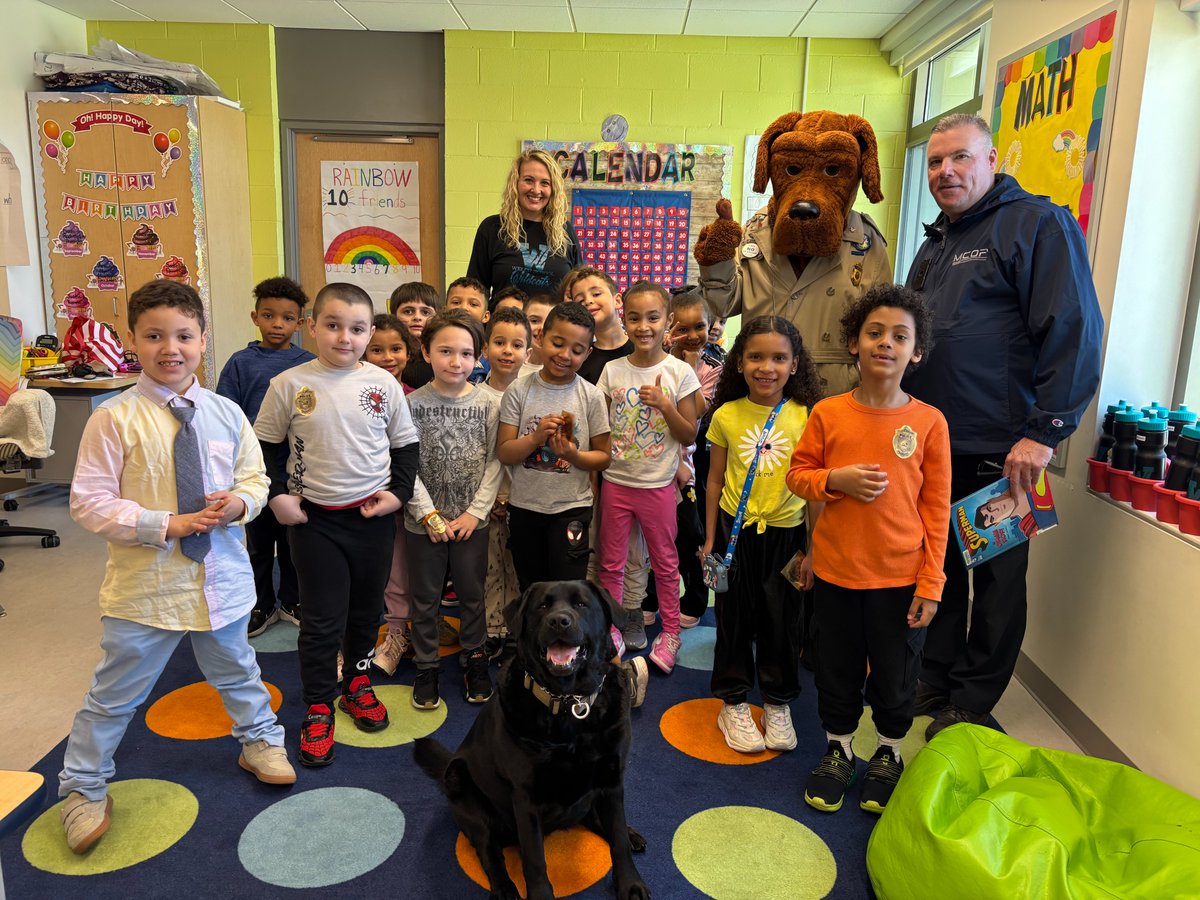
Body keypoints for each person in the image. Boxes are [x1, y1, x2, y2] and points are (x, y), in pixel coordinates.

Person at [61, 281, 295, 854]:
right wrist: (165, 523)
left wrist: (240, 504)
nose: (171, 348)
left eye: (184, 336)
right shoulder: (113, 418)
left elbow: (256, 480)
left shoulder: (227, 413)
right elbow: (88, 502)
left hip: (221, 578)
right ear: (133, 343)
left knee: (238, 668)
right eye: (155, 336)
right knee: (115, 691)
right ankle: (84, 786)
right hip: (148, 586)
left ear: (203, 340)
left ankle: (259, 739)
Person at [902, 113, 1103, 741]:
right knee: (936, 563)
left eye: (960, 158)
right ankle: (933, 676)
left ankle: (974, 698)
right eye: (935, 163)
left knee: (994, 577)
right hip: (935, 442)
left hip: (1006, 446)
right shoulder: (935, 242)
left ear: (992, 160)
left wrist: (1044, 432)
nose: (945, 172)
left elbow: (1074, 330)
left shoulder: (1037, 225)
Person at [787, 285, 950, 814]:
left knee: (896, 674)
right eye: (874, 332)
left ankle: (887, 751)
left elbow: (937, 510)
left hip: (900, 581)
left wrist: (932, 582)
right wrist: (837, 480)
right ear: (853, 343)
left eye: (900, 336)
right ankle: (838, 751)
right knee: (835, 669)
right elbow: (798, 476)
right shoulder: (828, 414)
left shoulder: (929, 422)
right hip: (836, 575)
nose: (886, 343)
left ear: (917, 352)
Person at [255, 283, 419, 767]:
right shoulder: (289, 385)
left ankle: (358, 683)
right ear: (312, 326)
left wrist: (398, 494)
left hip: (370, 519)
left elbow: (406, 447)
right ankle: (320, 704)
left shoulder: (383, 384)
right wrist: (276, 497)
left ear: (370, 332)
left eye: (357, 328)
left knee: (367, 615)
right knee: (324, 620)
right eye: (332, 325)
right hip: (315, 523)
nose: (344, 337)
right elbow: (262, 452)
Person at [701, 316, 820, 759]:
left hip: (787, 539)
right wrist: (711, 539)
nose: (766, 367)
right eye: (755, 356)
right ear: (738, 362)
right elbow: (713, 481)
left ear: (794, 365)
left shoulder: (806, 416)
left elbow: (813, 492)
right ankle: (732, 702)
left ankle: (777, 702)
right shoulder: (726, 415)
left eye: (778, 358)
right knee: (733, 616)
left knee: (783, 620)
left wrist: (812, 548)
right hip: (734, 536)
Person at [595, 281, 702, 674]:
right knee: (611, 563)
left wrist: (665, 405)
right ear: (624, 319)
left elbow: (689, 433)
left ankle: (671, 632)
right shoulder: (612, 370)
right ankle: (611, 628)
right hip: (617, 484)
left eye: (653, 317)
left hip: (657, 487)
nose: (644, 326)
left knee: (665, 561)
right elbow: (601, 428)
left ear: (668, 321)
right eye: (635, 317)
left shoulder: (679, 372)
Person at [404, 311, 502, 710]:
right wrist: (427, 513)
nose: (455, 361)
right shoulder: (410, 404)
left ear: (478, 358)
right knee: (425, 599)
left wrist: (475, 514)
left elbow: (496, 461)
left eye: (466, 353)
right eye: (445, 351)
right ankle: (426, 665)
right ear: (426, 352)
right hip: (422, 522)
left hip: (469, 523)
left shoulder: (490, 403)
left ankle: (474, 657)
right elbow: (404, 464)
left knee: (471, 594)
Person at [215, 276, 315, 636]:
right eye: (269, 316)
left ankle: (292, 600)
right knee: (258, 545)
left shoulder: (310, 365)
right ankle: (261, 602)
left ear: (301, 323)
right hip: (252, 472)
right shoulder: (241, 363)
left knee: (293, 544)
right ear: (254, 316)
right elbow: (226, 416)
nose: (278, 324)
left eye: (287, 318)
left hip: (296, 471)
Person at [497, 301, 611, 588]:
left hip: (571, 509)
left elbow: (604, 457)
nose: (564, 355)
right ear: (540, 339)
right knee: (532, 588)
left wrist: (573, 455)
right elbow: (505, 452)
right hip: (525, 508)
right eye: (557, 343)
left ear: (588, 353)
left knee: (569, 589)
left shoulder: (592, 396)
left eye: (576, 350)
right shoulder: (519, 390)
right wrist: (535, 439)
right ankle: (532, 635)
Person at [362, 314, 419, 675]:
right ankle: (355, 641)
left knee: (399, 572)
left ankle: (398, 633)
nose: (387, 357)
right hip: (361, 499)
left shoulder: (414, 398)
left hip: (403, 499)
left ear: (409, 352)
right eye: (377, 350)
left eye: (395, 348)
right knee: (365, 573)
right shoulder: (355, 394)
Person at [477, 306, 532, 659]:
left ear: (529, 352)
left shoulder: (532, 394)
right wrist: (492, 497)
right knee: (488, 566)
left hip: (525, 498)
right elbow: (480, 455)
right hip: (487, 498)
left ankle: (514, 629)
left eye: (516, 344)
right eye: (499, 342)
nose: (507, 351)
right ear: (485, 348)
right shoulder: (476, 397)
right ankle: (491, 629)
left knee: (518, 565)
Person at [468, 148, 581, 294]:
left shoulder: (565, 231)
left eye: (545, 183)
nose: (536, 189)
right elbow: (474, 292)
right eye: (529, 180)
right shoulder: (492, 228)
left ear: (553, 189)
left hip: (552, 317)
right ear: (515, 183)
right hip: (504, 317)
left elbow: (579, 289)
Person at [566, 266, 632, 384]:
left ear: (617, 301)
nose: (588, 301)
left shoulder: (642, 348)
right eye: (580, 300)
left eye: (596, 294)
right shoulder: (580, 358)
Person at [389, 281, 440, 389]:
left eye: (425, 312)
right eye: (408, 311)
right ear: (394, 315)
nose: (417, 317)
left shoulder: (441, 352)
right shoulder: (388, 353)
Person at [446, 276, 492, 383]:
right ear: (445, 310)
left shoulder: (491, 353)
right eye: (456, 302)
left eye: (473, 304)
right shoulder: (436, 347)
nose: (464, 308)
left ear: (486, 316)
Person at [520, 289, 559, 377]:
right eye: (534, 321)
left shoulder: (559, 371)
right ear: (522, 322)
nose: (542, 328)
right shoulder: (508, 363)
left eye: (549, 323)